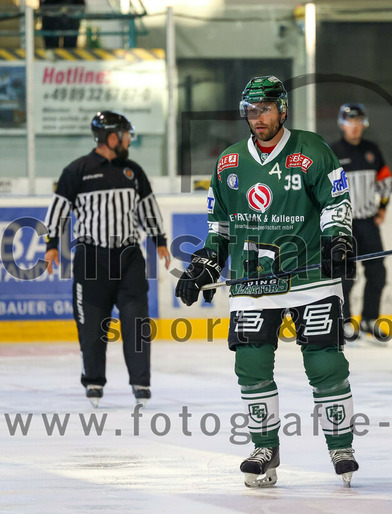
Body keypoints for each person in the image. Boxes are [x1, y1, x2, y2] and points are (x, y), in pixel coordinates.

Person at [175, 76, 358, 488]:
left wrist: (338, 240)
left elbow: (336, 203)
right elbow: (220, 228)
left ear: (283, 110)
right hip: (251, 281)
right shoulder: (229, 162)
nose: (258, 118)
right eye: (252, 110)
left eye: (266, 109)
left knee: (325, 362)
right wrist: (202, 267)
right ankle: (265, 449)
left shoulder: (313, 150)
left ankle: (340, 446)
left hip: (310, 276)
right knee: (251, 365)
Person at [43, 111, 170, 407]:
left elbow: (148, 208)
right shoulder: (77, 170)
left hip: (129, 259)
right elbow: (58, 209)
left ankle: (141, 383)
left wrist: (160, 240)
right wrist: (51, 245)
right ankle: (94, 382)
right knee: (91, 326)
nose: (129, 141)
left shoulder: (133, 171)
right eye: (126, 135)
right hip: (92, 259)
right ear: (111, 137)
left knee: (136, 322)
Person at [330, 103, 392, 340]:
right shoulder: (333, 152)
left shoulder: (372, 150)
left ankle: (369, 319)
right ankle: (345, 322)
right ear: (342, 124)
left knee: (377, 272)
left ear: (363, 124)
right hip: (343, 225)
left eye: (358, 122)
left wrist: (383, 207)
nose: (354, 126)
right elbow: (322, 187)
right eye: (350, 122)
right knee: (345, 276)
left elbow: (385, 181)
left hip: (367, 223)